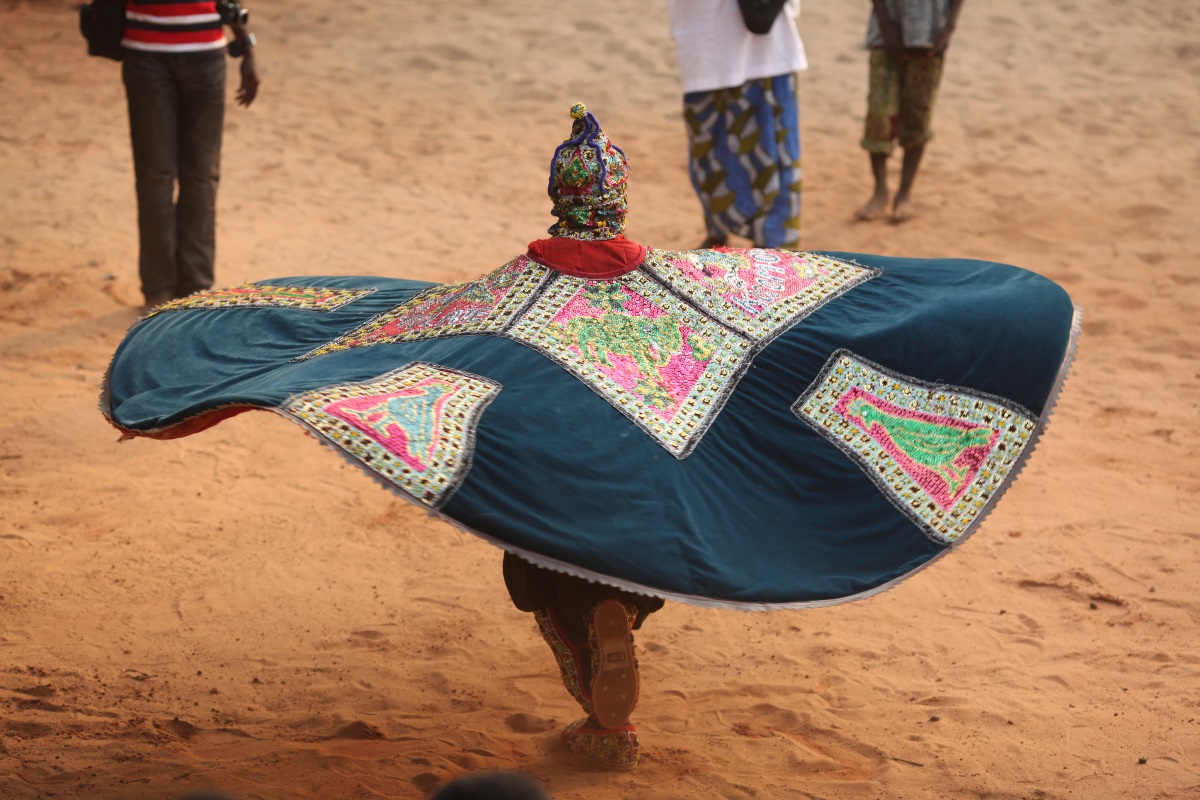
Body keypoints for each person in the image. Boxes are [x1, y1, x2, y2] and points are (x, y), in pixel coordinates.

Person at [120, 0, 260, 311]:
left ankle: (196, 288)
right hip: (146, 56)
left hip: (206, 56)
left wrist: (246, 47)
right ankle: (158, 291)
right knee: (155, 177)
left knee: (202, 174)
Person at [666, 0, 808, 249]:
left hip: (765, 56)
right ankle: (718, 233)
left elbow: (760, 23)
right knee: (710, 160)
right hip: (702, 48)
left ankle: (775, 252)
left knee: (773, 158)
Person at [855, 0, 965, 223]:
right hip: (885, 38)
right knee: (879, 116)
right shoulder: (885, 32)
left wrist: (947, 30)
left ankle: (904, 194)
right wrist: (886, 26)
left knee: (918, 117)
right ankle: (880, 190)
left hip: (930, 39)